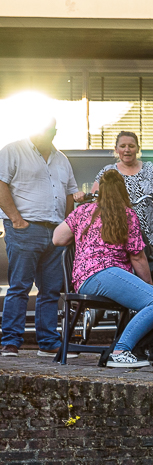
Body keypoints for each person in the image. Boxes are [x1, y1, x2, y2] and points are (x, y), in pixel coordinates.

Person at [52, 171, 153, 368]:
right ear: (123, 191)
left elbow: (58, 239)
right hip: (102, 276)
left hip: (86, 279)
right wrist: (147, 285)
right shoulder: (126, 214)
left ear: (101, 192)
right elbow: (138, 257)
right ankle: (120, 351)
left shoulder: (83, 211)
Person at [0, 117, 76, 357]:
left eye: (49, 128)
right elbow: (0, 185)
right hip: (25, 229)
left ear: (55, 131)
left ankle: (48, 342)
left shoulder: (62, 159)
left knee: (51, 290)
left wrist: (67, 226)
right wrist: (16, 220)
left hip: (55, 232)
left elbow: (70, 195)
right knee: (20, 287)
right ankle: (10, 341)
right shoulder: (13, 151)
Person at [81, 132, 153, 286]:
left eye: (131, 146)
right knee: (124, 287)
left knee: (150, 285)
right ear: (116, 149)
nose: (127, 150)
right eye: (123, 146)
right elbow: (95, 199)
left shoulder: (151, 169)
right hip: (119, 239)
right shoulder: (108, 171)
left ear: (138, 148)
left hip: (151, 239)